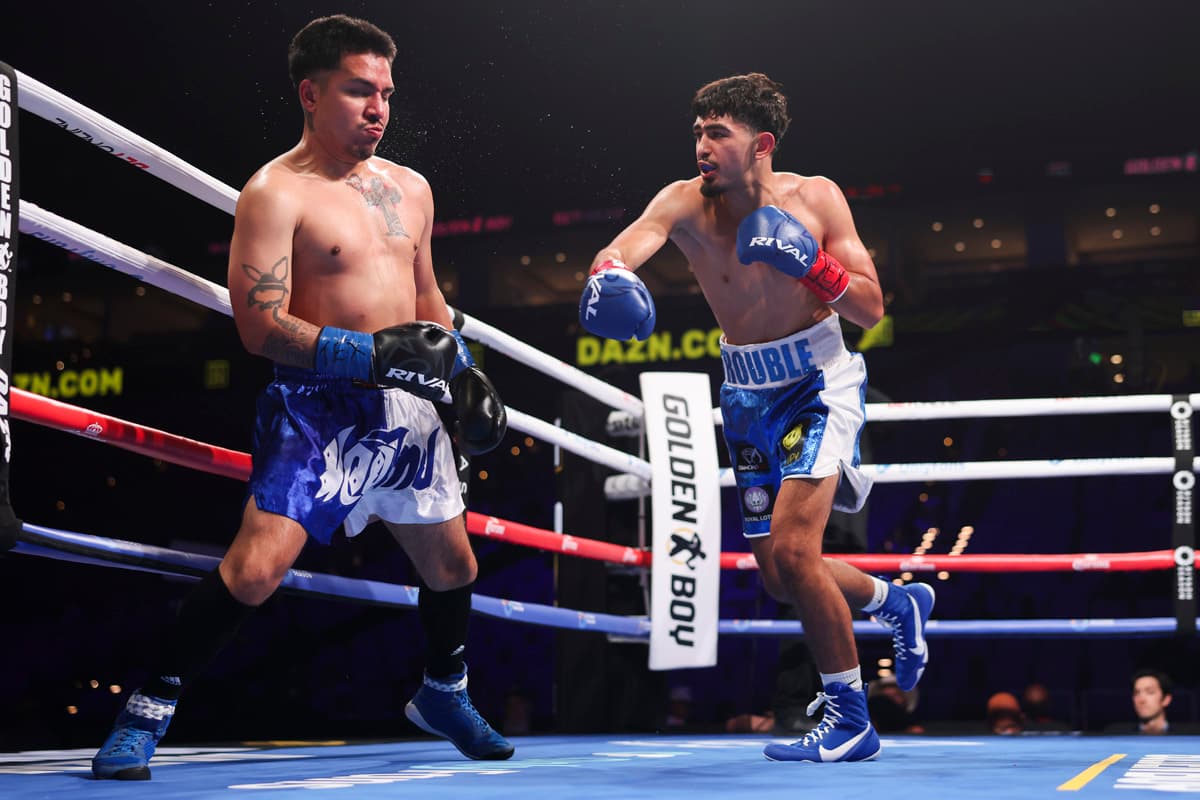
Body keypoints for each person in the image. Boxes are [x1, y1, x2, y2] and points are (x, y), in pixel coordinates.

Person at [92, 15, 512, 780]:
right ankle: (147, 709)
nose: (378, 107)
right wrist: (371, 353)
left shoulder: (410, 189)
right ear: (311, 94)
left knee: (454, 568)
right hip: (318, 406)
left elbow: (427, 300)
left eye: (385, 92)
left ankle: (444, 692)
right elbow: (258, 327)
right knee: (254, 570)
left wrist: (464, 373)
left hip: (410, 406)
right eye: (359, 90)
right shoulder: (274, 192)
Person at [579, 72, 935, 762]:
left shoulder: (816, 197)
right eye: (698, 133)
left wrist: (814, 266)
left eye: (719, 133)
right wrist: (608, 277)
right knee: (778, 574)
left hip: (817, 384)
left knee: (800, 553)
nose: (702, 147)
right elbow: (625, 246)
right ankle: (896, 604)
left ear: (761, 143)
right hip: (744, 397)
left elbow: (870, 308)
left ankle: (852, 715)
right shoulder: (683, 202)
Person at [1130, 669, 1173, 734]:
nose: (1141, 700)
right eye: (1136, 693)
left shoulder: (1187, 736)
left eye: (1150, 692)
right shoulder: (1118, 735)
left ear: (1166, 699)